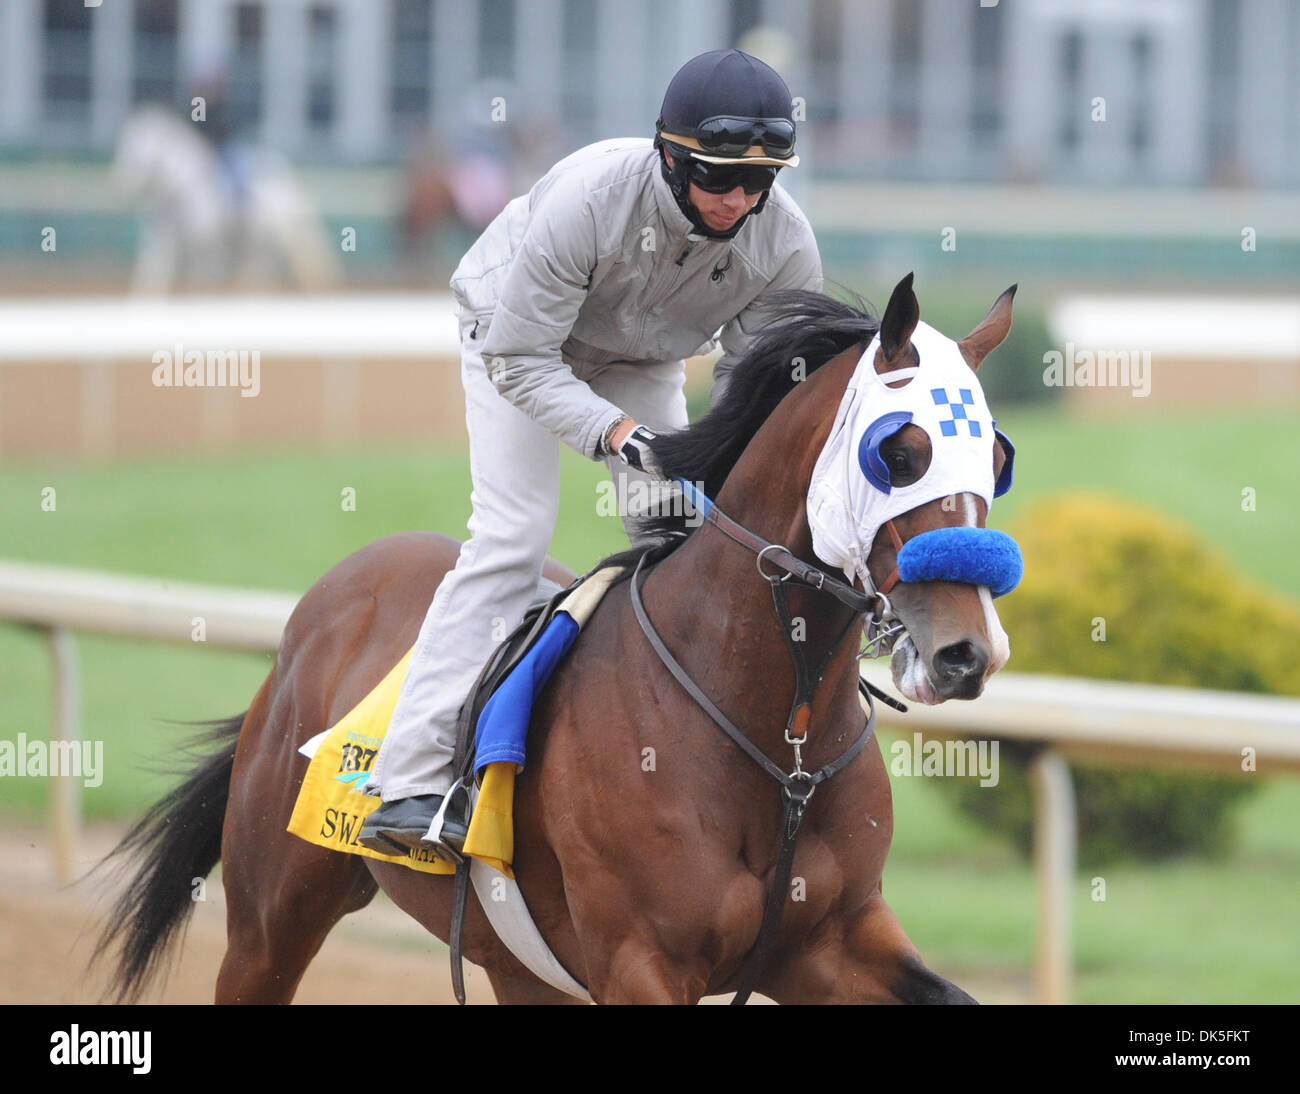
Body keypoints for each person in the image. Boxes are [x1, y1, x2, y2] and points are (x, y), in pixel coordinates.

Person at [360, 48, 823, 858]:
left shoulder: (784, 245)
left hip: (641, 359)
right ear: (670, 156)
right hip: (512, 336)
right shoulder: (589, 198)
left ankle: (678, 759)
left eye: (760, 182)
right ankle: (410, 782)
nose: (738, 200)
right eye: (718, 178)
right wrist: (618, 435)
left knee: (679, 536)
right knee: (514, 537)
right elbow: (520, 359)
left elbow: (760, 393)